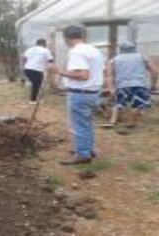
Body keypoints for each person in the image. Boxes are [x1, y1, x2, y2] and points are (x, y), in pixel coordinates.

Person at [50, 25, 104, 165]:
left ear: (66, 38)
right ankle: (87, 149)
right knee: (86, 123)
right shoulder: (93, 50)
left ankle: (82, 155)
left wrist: (59, 71)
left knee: (79, 124)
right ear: (82, 35)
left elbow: (83, 75)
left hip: (81, 93)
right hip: (92, 92)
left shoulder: (76, 52)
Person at [102, 42, 159, 128]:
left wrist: (111, 88)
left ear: (120, 49)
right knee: (137, 104)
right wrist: (153, 85)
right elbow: (155, 71)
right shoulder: (142, 57)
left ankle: (112, 121)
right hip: (139, 84)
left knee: (117, 103)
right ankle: (131, 122)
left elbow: (109, 76)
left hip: (121, 85)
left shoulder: (114, 60)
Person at [23, 39, 54, 104]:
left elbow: (24, 59)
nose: (46, 45)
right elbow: (50, 60)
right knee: (37, 84)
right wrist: (49, 68)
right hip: (37, 70)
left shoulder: (29, 49)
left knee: (37, 84)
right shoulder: (45, 50)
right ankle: (33, 100)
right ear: (43, 44)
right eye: (45, 44)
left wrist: (28, 64)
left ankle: (38, 99)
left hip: (27, 69)